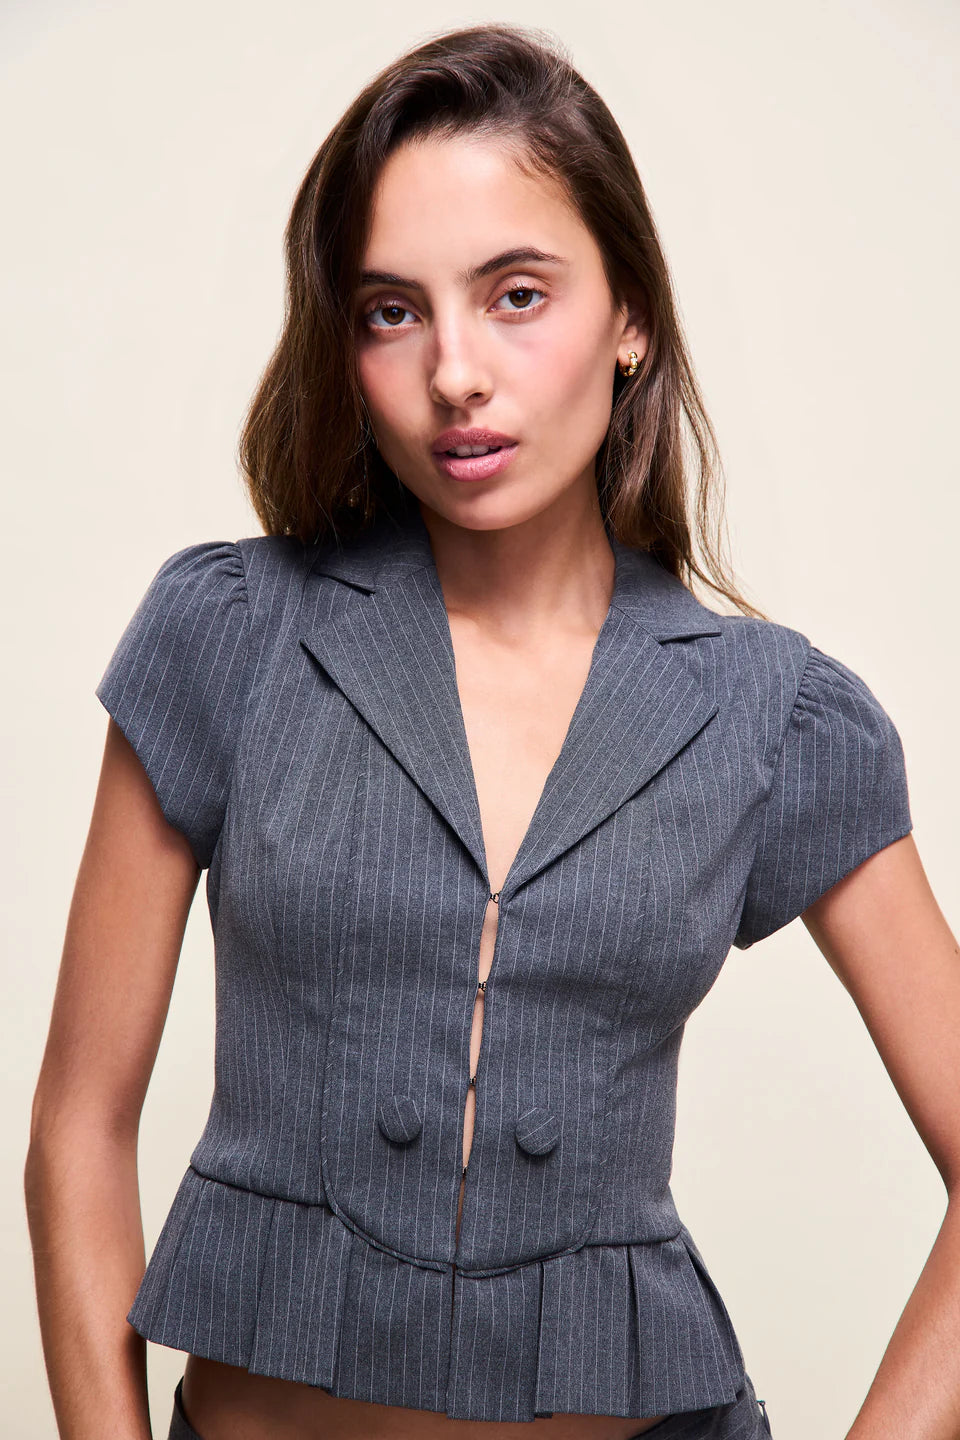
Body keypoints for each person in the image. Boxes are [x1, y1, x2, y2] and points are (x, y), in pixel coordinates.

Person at [24, 20, 959, 1440]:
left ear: (630, 315)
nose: (456, 371)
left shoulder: (777, 716)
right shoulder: (229, 637)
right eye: (392, 312)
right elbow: (77, 1132)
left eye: (517, 294)